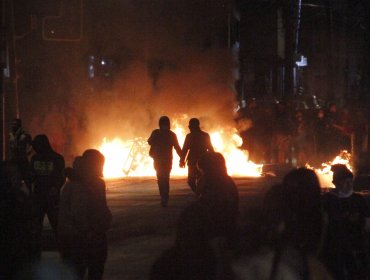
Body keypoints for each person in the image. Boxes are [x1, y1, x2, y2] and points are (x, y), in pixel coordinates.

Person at [321, 164, 369, 280]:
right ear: (336, 183)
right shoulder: (327, 200)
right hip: (334, 250)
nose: (349, 185)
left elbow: (367, 223)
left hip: (356, 249)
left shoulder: (358, 200)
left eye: (350, 181)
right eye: (344, 182)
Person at [30, 134, 65, 260]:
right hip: (38, 197)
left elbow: (61, 177)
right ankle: (34, 254)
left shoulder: (57, 159)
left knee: (57, 226)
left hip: (51, 199)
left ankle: (63, 253)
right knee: (35, 227)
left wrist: (55, 188)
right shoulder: (34, 158)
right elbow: (31, 176)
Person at [81, 149, 112, 280]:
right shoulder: (94, 183)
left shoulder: (74, 182)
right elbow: (98, 206)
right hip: (92, 232)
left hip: (91, 231)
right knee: (95, 267)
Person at [58, 156, 89, 278]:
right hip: (74, 234)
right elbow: (77, 213)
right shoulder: (77, 186)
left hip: (66, 233)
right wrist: (86, 229)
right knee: (77, 268)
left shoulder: (69, 184)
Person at [148, 116, 182, 207]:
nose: (164, 126)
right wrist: (182, 158)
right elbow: (149, 141)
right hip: (160, 160)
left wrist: (182, 158)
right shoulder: (165, 134)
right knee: (161, 179)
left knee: (164, 179)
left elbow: (177, 148)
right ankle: (163, 196)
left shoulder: (169, 134)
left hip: (164, 160)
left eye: (165, 125)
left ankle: (164, 197)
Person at [180, 118, 214, 193]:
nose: (189, 128)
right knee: (195, 180)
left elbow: (185, 149)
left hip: (198, 162)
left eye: (190, 126)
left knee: (194, 181)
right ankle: (200, 194)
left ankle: (200, 194)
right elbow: (211, 149)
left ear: (194, 126)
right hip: (200, 162)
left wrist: (182, 161)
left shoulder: (190, 136)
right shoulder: (204, 135)